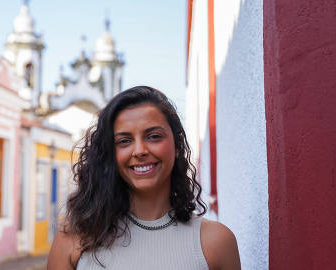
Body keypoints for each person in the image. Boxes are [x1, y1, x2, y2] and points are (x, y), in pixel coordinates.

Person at [48, 86, 240, 270]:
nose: (139, 151)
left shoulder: (216, 242)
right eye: (124, 141)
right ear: (110, 154)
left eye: (154, 136)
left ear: (177, 145)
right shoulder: (75, 237)